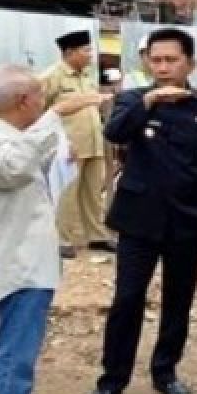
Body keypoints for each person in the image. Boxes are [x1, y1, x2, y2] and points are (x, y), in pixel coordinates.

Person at [83, 28, 197, 394]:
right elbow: (114, 132)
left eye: (172, 60)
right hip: (138, 221)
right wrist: (150, 100)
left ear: (190, 64)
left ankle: (165, 371)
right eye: (156, 60)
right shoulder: (133, 101)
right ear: (147, 63)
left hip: (189, 221)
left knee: (178, 300)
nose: (164, 67)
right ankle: (112, 380)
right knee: (127, 299)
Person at [0, 65, 108, 394]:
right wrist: (57, 115)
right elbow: (14, 167)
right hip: (18, 265)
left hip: (27, 261)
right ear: (24, 102)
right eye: (40, 101)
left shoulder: (8, 135)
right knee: (16, 349)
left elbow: (31, 159)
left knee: (19, 345)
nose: (43, 106)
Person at [40, 30, 115, 259]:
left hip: (93, 143)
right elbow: (38, 111)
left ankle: (97, 236)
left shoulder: (86, 77)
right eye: (86, 50)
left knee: (93, 191)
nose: (91, 54)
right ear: (70, 52)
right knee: (67, 192)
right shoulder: (51, 77)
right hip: (68, 147)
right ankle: (63, 239)